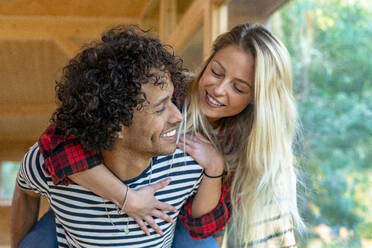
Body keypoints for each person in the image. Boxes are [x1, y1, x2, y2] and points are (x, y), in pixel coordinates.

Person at [17, 23, 304, 247]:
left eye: (239, 88)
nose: (218, 90)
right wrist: (126, 198)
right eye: (216, 72)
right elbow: (61, 144)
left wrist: (214, 168)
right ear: (208, 62)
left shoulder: (245, 144)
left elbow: (203, 227)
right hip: (100, 203)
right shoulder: (167, 93)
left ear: (258, 99)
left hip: (176, 221)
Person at [10, 25, 220, 248]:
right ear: (115, 125)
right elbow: (25, 190)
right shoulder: (49, 163)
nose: (178, 116)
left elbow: (206, 228)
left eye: (172, 101)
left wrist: (215, 167)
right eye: (160, 109)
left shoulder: (188, 162)